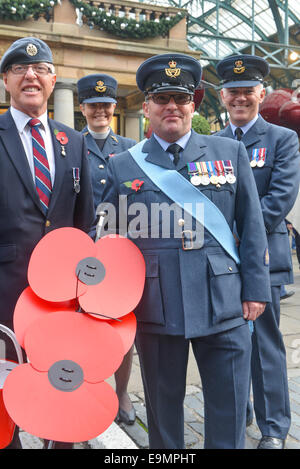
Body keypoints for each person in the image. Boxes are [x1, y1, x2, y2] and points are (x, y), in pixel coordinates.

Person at [100, 53, 272, 449]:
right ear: (146, 107)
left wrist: (255, 289)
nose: (172, 106)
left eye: (181, 97)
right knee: (163, 413)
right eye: (162, 99)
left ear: (193, 104)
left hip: (224, 301)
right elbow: (106, 233)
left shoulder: (228, 152)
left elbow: (251, 225)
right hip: (157, 305)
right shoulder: (124, 165)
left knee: (229, 406)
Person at [0, 36, 95, 449]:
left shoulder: (72, 141)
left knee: (64, 381)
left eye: (40, 69)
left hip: (61, 296)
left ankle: (63, 440)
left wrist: (86, 286)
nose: (31, 76)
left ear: (54, 79)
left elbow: (85, 221)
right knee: (6, 388)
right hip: (4, 291)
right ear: (6, 80)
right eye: (20, 68)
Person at [216, 54, 300, 449]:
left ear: (260, 93)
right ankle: (240, 408)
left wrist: (232, 236)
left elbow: (278, 199)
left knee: (265, 344)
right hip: (218, 264)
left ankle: (273, 428)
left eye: (247, 91)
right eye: (233, 92)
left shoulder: (282, 140)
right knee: (229, 342)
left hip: (262, 259)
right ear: (222, 96)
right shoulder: (212, 144)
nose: (240, 99)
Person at [77, 74, 136, 425]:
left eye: (106, 104)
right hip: (82, 252)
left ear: (114, 107)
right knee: (82, 327)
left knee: (122, 327)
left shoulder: (131, 147)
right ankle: (86, 388)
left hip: (121, 254)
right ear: (82, 107)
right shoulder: (68, 144)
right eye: (93, 104)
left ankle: (122, 390)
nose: (100, 109)